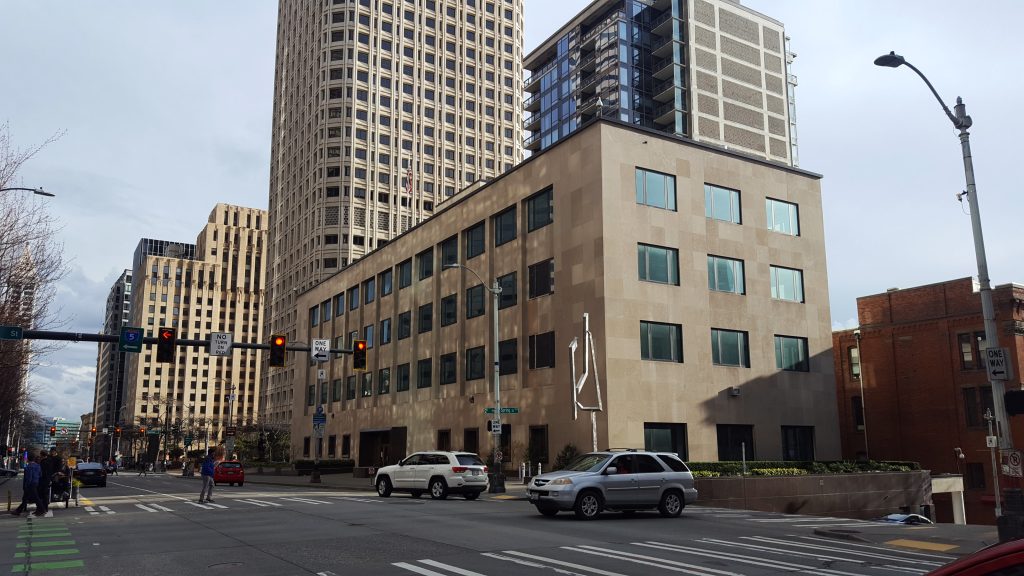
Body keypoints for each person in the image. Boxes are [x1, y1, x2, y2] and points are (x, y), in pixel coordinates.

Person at [36, 449, 57, 516]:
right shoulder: (50, 461)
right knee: (45, 495)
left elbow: (42, 472)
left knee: (41, 495)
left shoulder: (43, 462)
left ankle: (42, 509)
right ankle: (44, 508)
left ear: (42, 455)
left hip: (43, 480)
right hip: (48, 480)